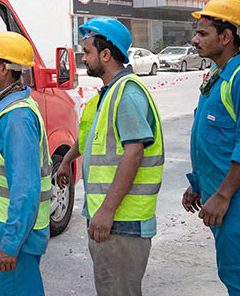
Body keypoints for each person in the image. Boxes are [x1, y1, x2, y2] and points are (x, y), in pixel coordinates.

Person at [55, 17, 163, 296]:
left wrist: (107, 211)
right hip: (111, 220)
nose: (83, 57)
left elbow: (134, 153)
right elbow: (90, 135)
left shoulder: (127, 94)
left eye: (88, 51)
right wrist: (67, 160)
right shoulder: (109, 93)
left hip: (121, 223)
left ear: (106, 54)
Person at [182, 0, 240, 296]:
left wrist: (222, 196)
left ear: (227, 36)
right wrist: (197, 184)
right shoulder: (217, 77)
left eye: (203, 33)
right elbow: (211, 139)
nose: (195, 40)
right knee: (235, 276)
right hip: (225, 200)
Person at [0, 31, 51, 296]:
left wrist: (10, 245)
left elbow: (25, 190)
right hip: (7, 229)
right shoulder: (8, 109)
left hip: (14, 235)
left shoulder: (17, 119)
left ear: (4, 68)